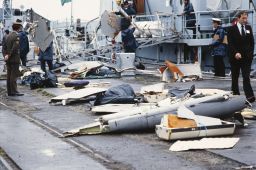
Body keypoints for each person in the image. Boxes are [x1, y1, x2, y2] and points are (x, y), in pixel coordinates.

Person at [228, 11, 255, 103]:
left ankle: (250, 96)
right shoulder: (231, 29)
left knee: (246, 77)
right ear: (238, 18)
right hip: (235, 58)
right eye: (243, 18)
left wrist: (250, 55)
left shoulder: (248, 28)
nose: (245, 20)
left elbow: (252, 43)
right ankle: (235, 95)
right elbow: (230, 44)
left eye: (246, 18)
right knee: (235, 78)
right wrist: (235, 53)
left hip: (246, 58)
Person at [4, 21, 24, 96]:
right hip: (14, 59)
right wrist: (9, 55)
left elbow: (4, 47)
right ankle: (14, 91)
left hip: (8, 59)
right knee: (14, 76)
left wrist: (6, 55)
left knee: (9, 76)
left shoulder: (8, 36)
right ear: (18, 28)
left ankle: (9, 91)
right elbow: (15, 48)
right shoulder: (16, 36)